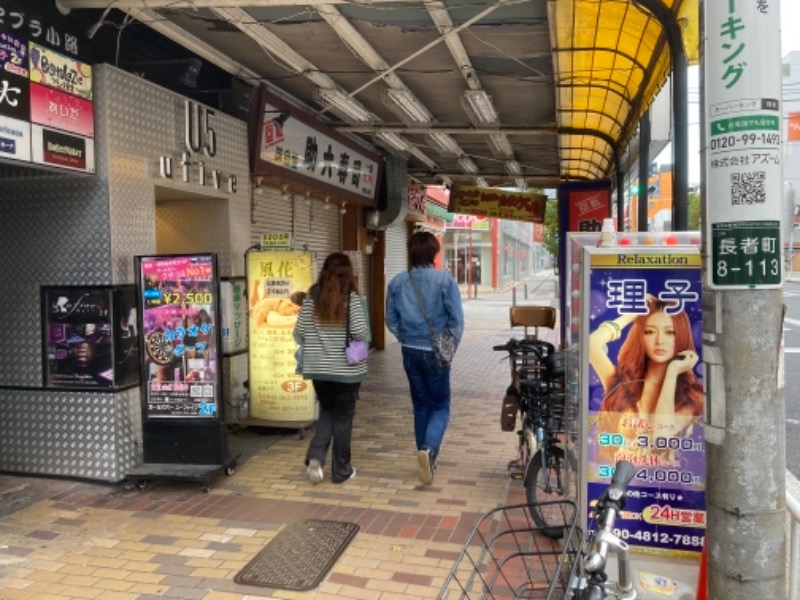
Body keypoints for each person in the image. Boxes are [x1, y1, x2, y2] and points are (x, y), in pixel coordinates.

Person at [386, 231, 464, 485]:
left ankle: (424, 453)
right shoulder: (444, 280)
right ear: (433, 253)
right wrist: (448, 345)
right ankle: (429, 450)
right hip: (434, 352)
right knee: (440, 405)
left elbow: (391, 318)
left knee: (421, 405)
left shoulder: (397, 282)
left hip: (409, 350)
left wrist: (404, 335)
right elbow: (456, 321)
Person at [589, 295, 703, 452]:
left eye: (670, 332)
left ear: (681, 336)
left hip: (659, 474)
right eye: (649, 332)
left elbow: (660, 437)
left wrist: (672, 373)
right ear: (640, 336)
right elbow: (591, 344)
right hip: (612, 472)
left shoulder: (692, 397)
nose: (659, 341)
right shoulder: (621, 382)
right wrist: (633, 313)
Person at [293, 253, 368, 484]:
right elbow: (360, 333)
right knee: (343, 417)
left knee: (327, 411)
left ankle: (316, 457)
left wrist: (319, 343)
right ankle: (341, 471)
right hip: (347, 371)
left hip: (318, 369)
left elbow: (299, 334)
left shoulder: (311, 298)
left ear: (324, 272)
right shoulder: (352, 299)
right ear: (348, 274)